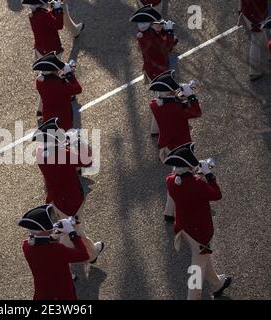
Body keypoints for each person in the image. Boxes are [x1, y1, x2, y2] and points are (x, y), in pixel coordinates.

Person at [164, 143, 232, 300]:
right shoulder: (198, 183)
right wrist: (208, 174)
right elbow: (216, 194)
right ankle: (193, 297)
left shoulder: (170, 181)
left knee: (201, 256)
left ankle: (217, 285)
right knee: (197, 267)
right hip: (200, 231)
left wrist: (194, 172)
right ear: (189, 167)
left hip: (184, 228)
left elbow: (177, 178)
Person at [33, 118, 104, 263]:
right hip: (72, 199)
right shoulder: (63, 154)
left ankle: (91, 251)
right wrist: (78, 142)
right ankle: (87, 255)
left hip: (56, 198)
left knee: (72, 227)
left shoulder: (39, 153)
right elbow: (87, 160)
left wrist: (63, 144)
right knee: (74, 230)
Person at [148, 70, 202, 220]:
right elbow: (196, 112)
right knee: (183, 178)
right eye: (172, 90)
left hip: (167, 146)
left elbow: (171, 103)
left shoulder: (154, 105)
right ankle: (177, 209)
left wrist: (179, 97)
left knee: (176, 178)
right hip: (181, 147)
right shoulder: (178, 108)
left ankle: (169, 213)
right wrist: (191, 95)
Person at [18, 204, 89, 300]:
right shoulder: (57, 249)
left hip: (42, 293)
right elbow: (84, 255)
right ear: (43, 231)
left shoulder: (26, 246)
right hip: (62, 293)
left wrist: (55, 235)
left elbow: (44, 244)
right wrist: (72, 233)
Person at [130, 5, 177, 135]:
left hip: (152, 69)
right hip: (159, 71)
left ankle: (155, 129)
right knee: (165, 98)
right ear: (150, 24)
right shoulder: (151, 36)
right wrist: (169, 31)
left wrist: (160, 30)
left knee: (162, 97)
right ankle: (161, 128)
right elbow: (167, 47)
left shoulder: (143, 33)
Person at [33, 52, 82, 130]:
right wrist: (69, 74)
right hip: (63, 121)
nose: (58, 71)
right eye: (56, 70)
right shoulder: (59, 84)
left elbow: (52, 83)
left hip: (48, 119)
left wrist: (61, 76)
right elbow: (78, 89)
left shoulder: (39, 82)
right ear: (52, 71)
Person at [239, 0, 269, 81]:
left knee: (261, 34)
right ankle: (254, 71)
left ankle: (268, 54)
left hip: (248, 13)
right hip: (256, 16)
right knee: (256, 39)